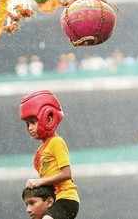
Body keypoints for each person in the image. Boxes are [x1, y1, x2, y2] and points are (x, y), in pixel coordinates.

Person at [19, 90, 80, 219]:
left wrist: (39, 182)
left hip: (66, 198)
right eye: (27, 124)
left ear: (49, 118)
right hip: (53, 200)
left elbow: (66, 174)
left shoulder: (56, 142)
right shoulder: (40, 151)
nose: (30, 128)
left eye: (33, 122)